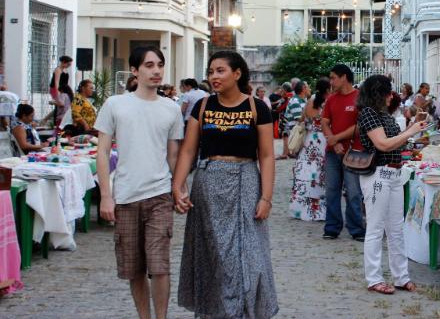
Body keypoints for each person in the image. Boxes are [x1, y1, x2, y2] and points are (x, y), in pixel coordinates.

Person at [173, 51, 278, 318]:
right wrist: (178, 185)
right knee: (214, 254)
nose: (214, 77)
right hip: (208, 182)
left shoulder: (257, 107)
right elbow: (188, 150)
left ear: (237, 73)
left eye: (220, 71)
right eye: (211, 72)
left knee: (250, 256)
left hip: (245, 181)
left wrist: (266, 198)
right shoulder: (203, 106)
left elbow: (266, 155)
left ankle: (245, 311)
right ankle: (215, 312)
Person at [95, 46, 184, 319]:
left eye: (159, 64)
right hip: (125, 195)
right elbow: (102, 151)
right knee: (133, 268)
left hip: (159, 195)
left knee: (159, 266)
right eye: (148, 65)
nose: (156, 70)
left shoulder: (171, 109)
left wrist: (178, 189)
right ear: (135, 71)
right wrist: (106, 196)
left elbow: (173, 155)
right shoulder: (115, 105)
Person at [356, 75, 427, 294]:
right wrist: (411, 131)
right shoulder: (368, 113)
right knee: (376, 228)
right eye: (388, 92)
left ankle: (400, 276)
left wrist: (414, 128)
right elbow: (382, 144)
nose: (391, 96)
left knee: (396, 229)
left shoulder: (384, 114)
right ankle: (374, 278)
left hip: (395, 174)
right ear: (379, 93)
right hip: (378, 173)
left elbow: (399, 140)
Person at [321, 64, 365, 241]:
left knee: (354, 192)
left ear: (344, 77)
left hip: (354, 152)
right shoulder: (331, 99)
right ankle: (332, 228)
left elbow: (360, 126)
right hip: (333, 152)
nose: (331, 81)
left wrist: (336, 138)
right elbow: (324, 122)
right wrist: (334, 140)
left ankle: (356, 229)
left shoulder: (360, 97)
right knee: (332, 190)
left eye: (333, 77)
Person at [290, 78, 330, 221]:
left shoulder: (309, 100)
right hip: (323, 139)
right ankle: (317, 209)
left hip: (310, 138)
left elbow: (302, 119)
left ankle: (300, 208)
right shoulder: (328, 101)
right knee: (320, 172)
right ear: (327, 89)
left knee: (307, 171)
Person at [284, 81, 309, 146]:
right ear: (303, 89)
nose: (310, 89)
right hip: (298, 134)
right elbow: (300, 119)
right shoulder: (295, 101)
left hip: (302, 133)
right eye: (308, 87)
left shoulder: (304, 100)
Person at [276, 81, 294, 160]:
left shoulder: (285, 97)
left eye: (282, 89)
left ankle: (284, 153)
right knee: (288, 135)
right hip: (290, 118)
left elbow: (279, 108)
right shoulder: (293, 95)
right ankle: (289, 152)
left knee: (285, 135)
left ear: (285, 89)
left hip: (285, 118)